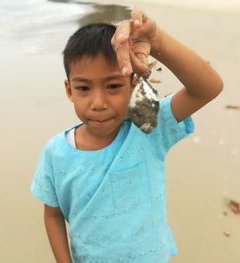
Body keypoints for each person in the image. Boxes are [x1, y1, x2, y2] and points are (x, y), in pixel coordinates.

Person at [30, 8, 223, 263]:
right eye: (84, 88)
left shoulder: (147, 125)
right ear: (69, 90)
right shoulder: (56, 152)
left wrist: (157, 42)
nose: (98, 102)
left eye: (113, 86)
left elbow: (208, 87)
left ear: (132, 83)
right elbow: (53, 215)